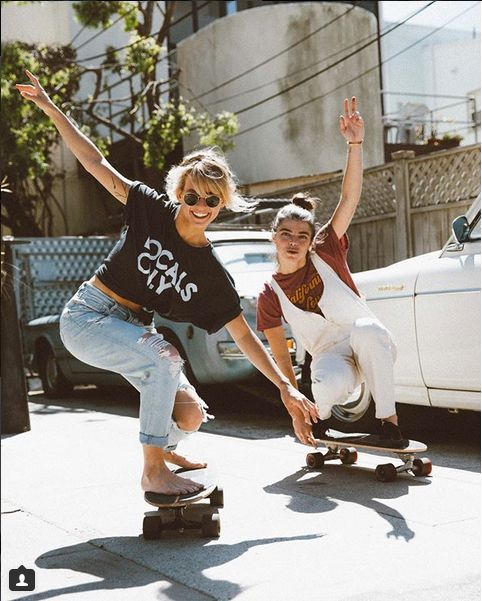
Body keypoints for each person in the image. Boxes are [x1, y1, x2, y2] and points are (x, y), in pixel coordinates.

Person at [16, 70, 320, 495]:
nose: (200, 206)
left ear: (222, 204)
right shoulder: (149, 209)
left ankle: (168, 448)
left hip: (134, 329)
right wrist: (51, 108)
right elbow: (94, 162)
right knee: (166, 356)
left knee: (191, 413)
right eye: (192, 196)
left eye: (211, 200)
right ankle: (153, 470)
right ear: (180, 192)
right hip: (88, 317)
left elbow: (245, 335)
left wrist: (287, 388)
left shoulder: (211, 272)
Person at [256, 97, 408, 449]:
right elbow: (280, 356)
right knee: (322, 383)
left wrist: (355, 144)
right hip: (330, 356)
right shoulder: (269, 292)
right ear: (273, 237)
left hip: (370, 343)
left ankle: (389, 421)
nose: (293, 242)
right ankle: (320, 418)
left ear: (311, 242)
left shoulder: (325, 249)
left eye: (301, 236)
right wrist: (296, 404)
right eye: (286, 235)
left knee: (368, 329)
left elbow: (349, 199)